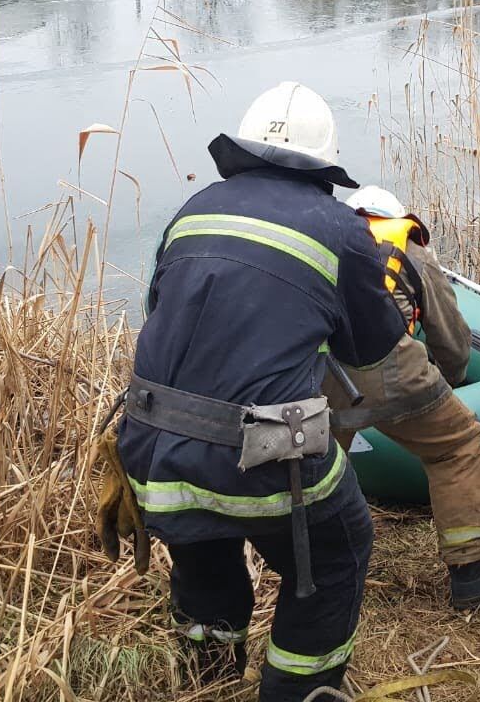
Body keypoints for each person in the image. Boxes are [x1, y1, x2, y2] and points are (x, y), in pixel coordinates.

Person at [115, 82, 407, 700]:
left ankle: (208, 681)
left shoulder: (195, 208)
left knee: (204, 542)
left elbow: (157, 309)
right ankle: (300, 690)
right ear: (324, 164)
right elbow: (372, 348)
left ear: (244, 149)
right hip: (266, 450)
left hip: (151, 442)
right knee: (339, 551)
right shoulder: (339, 228)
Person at [327, 186, 480, 608]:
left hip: (323, 371)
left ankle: (325, 568)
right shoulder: (408, 250)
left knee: (323, 464)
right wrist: (451, 382)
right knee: (456, 442)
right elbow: (453, 340)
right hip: (387, 368)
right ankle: (471, 573)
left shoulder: (323, 238)